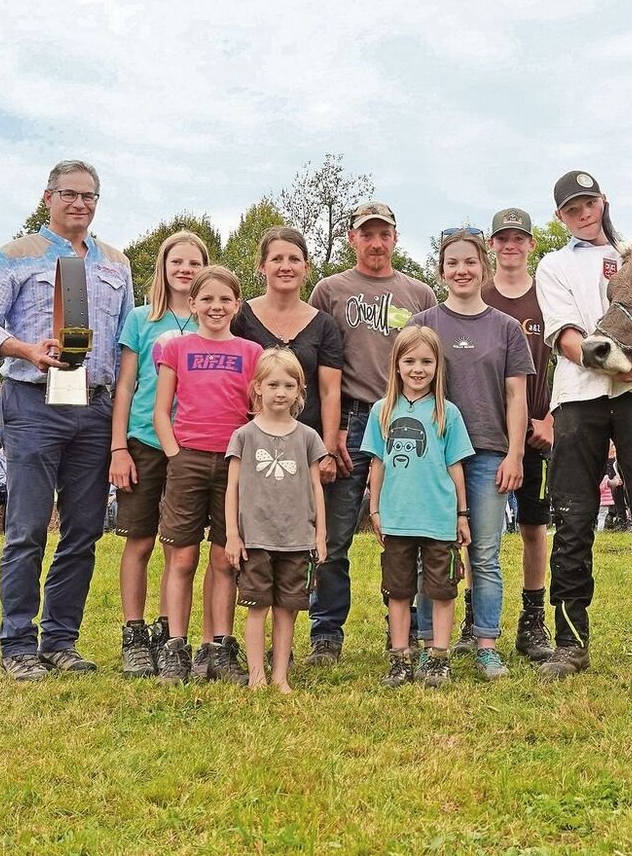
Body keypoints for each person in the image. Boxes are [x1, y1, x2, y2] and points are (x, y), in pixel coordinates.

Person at [0, 159, 134, 681]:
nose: (79, 203)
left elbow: (126, 341)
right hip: (34, 402)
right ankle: (17, 645)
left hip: (95, 406)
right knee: (28, 527)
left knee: (84, 530)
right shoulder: (15, 255)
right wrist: (26, 349)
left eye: (89, 196)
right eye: (69, 194)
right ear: (48, 197)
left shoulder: (117, 263)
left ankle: (60, 641)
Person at [534, 169, 632, 686]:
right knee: (573, 519)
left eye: (589, 203)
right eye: (572, 208)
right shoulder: (553, 264)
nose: (583, 213)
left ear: (603, 201)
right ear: (560, 216)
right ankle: (570, 644)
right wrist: (622, 367)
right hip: (578, 398)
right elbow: (566, 338)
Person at [307, 202, 438, 665]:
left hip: (407, 418)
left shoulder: (419, 294)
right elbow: (319, 364)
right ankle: (326, 632)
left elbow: (433, 360)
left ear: (396, 238)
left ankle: (406, 627)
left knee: (408, 528)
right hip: (350, 419)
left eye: (384, 234)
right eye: (367, 234)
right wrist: (331, 430)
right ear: (352, 238)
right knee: (335, 532)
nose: (376, 243)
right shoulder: (329, 290)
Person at [411, 229, 530, 680]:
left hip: (488, 454)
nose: (461, 270)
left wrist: (514, 454)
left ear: (484, 267)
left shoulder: (506, 328)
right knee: (432, 552)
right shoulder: (423, 325)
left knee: (484, 554)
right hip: (431, 457)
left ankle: (486, 645)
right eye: (452, 263)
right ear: (441, 270)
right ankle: (429, 645)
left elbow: (516, 396)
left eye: (470, 262)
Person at [152, 266, 263, 684]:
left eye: (225, 299)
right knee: (182, 557)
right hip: (188, 460)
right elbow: (161, 411)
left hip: (234, 464)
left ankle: (218, 648)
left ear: (237, 305)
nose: (216, 307)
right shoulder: (177, 349)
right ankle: (175, 647)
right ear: (193, 303)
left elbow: (257, 412)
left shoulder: (251, 352)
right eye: (208, 299)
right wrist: (175, 455)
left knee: (223, 558)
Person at [110, 229, 208, 678]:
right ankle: (134, 633)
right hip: (145, 441)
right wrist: (118, 447)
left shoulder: (212, 317)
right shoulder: (141, 318)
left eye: (194, 263)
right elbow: (126, 385)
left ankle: (170, 633)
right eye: (177, 262)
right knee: (141, 540)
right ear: (163, 268)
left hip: (192, 444)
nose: (185, 269)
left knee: (178, 545)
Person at [365, 326, 473, 688]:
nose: (417, 369)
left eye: (426, 362)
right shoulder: (381, 411)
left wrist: (462, 514)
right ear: (396, 364)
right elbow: (377, 463)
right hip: (397, 518)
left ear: (438, 366)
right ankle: (400, 658)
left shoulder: (447, 413)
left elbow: (455, 465)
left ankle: (438, 657)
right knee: (398, 591)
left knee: (441, 590)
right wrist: (375, 509)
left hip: (438, 518)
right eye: (409, 361)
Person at [225, 349, 329, 692]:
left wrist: (320, 535)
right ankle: (256, 675)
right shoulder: (244, 436)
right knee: (258, 608)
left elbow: (316, 487)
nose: (280, 392)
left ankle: (280, 675)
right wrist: (232, 535)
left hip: (297, 538)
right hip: (255, 538)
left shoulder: (308, 437)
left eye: (288, 385)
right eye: (273, 385)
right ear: (257, 387)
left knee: (287, 609)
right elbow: (232, 488)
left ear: (300, 390)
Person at [482, 207, 555, 662]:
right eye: (503, 238)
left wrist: (552, 419)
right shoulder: (479, 294)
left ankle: (533, 619)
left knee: (534, 526)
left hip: (536, 431)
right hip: (485, 433)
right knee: (479, 530)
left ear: (531, 244)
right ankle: (475, 615)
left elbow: (570, 360)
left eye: (518, 238)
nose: (510, 245)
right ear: (492, 245)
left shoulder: (547, 296)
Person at [231, 226, 343, 484]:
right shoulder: (240, 318)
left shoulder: (324, 325)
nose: (286, 267)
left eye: (294, 259)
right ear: (262, 266)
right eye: (277, 259)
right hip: (252, 443)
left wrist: (328, 451)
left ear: (306, 266)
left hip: (305, 447)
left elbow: (330, 391)